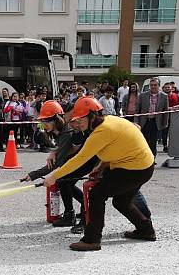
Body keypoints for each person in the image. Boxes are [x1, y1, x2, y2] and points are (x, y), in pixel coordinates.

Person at [44, 97, 156, 251]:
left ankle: (92, 240)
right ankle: (146, 231)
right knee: (121, 202)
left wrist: (54, 175)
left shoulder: (101, 132)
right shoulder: (109, 120)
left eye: (81, 118)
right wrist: (102, 166)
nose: (78, 123)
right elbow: (119, 144)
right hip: (141, 166)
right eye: (77, 119)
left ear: (92, 116)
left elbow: (79, 159)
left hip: (134, 169)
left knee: (97, 194)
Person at [23, 100, 89, 230]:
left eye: (48, 121)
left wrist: (34, 175)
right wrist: (55, 151)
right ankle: (82, 207)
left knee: (63, 180)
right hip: (77, 159)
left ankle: (71, 215)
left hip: (86, 160)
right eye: (43, 121)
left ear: (57, 119)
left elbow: (56, 164)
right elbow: (62, 152)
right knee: (65, 182)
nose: (44, 124)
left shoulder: (66, 132)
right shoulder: (60, 131)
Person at [135, 78, 169, 157]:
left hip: (155, 122)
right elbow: (137, 110)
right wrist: (136, 122)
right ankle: (144, 157)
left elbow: (166, 111)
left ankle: (152, 158)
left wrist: (165, 123)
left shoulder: (164, 96)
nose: (153, 87)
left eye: (155, 85)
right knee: (144, 141)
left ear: (159, 86)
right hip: (144, 121)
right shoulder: (142, 95)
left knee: (153, 142)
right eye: (151, 85)